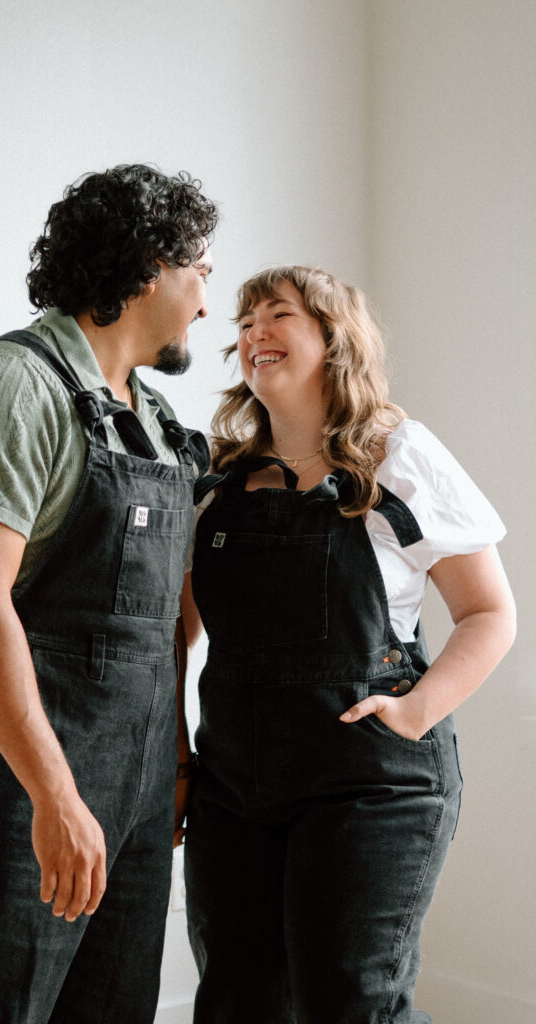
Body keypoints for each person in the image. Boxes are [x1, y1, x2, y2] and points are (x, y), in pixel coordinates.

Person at [0, 164, 217, 1024]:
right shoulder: (11, 385)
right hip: (18, 787)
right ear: (152, 265)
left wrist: (175, 756)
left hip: (142, 792)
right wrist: (55, 796)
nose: (206, 307)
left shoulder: (157, 423)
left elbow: (163, 628)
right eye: (202, 276)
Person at [180, 265, 516, 1024]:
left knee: (350, 1002)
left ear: (333, 339)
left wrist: (416, 712)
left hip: (370, 783)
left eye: (277, 315)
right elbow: (178, 628)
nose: (253, 333)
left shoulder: (396, 455)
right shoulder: (220, 480)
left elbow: (490, 612)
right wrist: (178, 753)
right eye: (244, 322)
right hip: (233, 783)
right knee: (237, 1001)